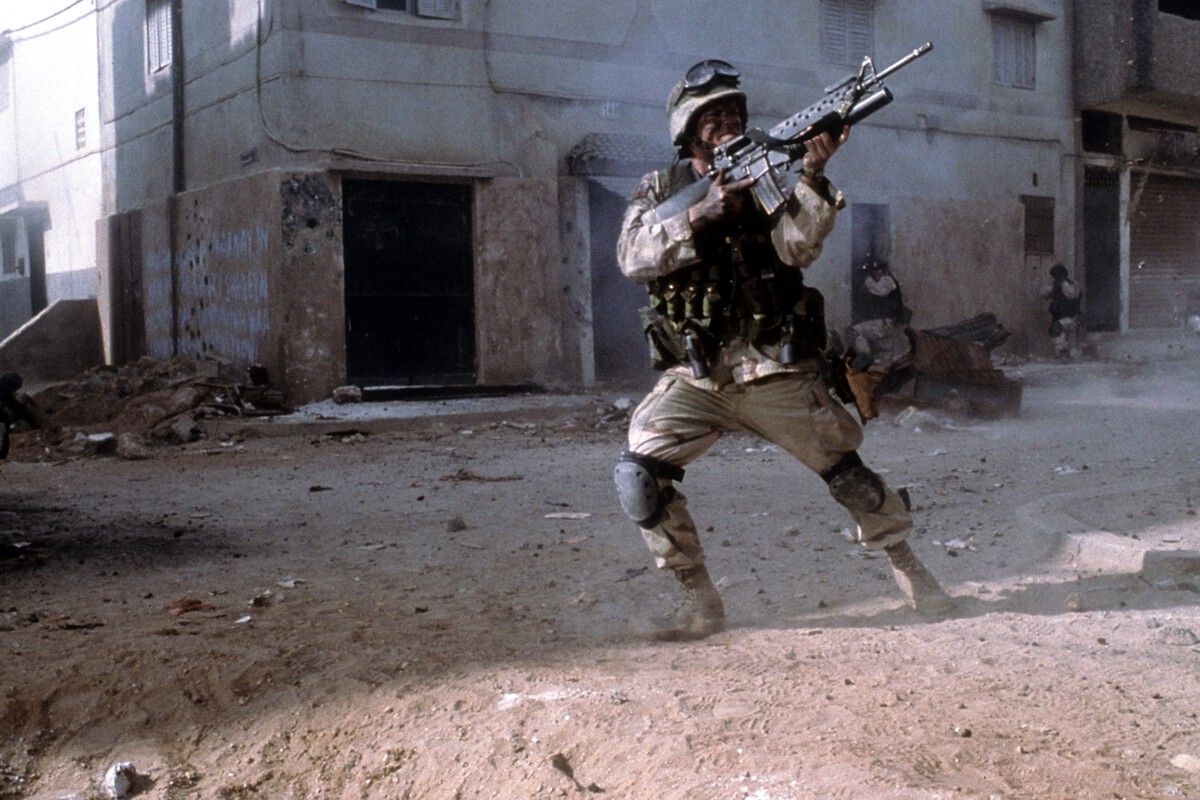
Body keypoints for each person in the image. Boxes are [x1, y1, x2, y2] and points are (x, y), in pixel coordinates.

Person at [612, 59, 953, 640]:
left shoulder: (769, 174)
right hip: (697, 376)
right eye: (713, 116)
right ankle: (699, 603)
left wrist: (813, 174)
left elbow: (797, 250)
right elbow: (631, 257)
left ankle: (912, 571)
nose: (727, 121)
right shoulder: (660, 189)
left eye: (734, 112)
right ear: (688, 131)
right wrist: (699, 216)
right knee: (637, 475)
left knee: (848, 477)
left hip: (772, 367)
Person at [848, 257, 912, 371]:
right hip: (886, 324)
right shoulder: (884, 281)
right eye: (874, 271)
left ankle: (865, 357)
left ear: (884, 270)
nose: (875, 273)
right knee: (884, 356)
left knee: (855, 331)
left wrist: (867, 279)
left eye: (877, 270)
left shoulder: (887, 280)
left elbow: (879, 291)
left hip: (885, 323)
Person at [1041, 263, 1082, 360]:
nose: (1054, 279)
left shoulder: (1069, 285)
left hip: (1073, 317)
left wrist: (1061, 285)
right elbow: (1044, 295)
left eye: (1056, 276)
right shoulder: (1057, 286)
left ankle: (1064, 353)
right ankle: (1066, 353)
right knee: (1058, 332)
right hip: (1062, 318)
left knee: (1056, 329)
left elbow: (1072, 295)